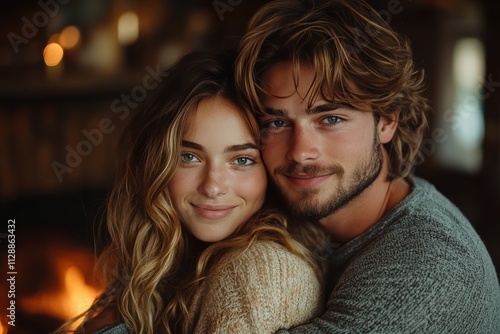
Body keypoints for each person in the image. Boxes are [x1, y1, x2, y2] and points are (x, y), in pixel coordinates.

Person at [235, 0, 500, 332]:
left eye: (330, 118)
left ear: (387, 122)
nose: (300, 153)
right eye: (276, 123)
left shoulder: (426, 266)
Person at [55, 51, 326, 334]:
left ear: (270, 169)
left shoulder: (260, 271)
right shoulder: (165, 265)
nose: (212, 186)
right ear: (156, 162)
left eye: (242, 160)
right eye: (189, 157)